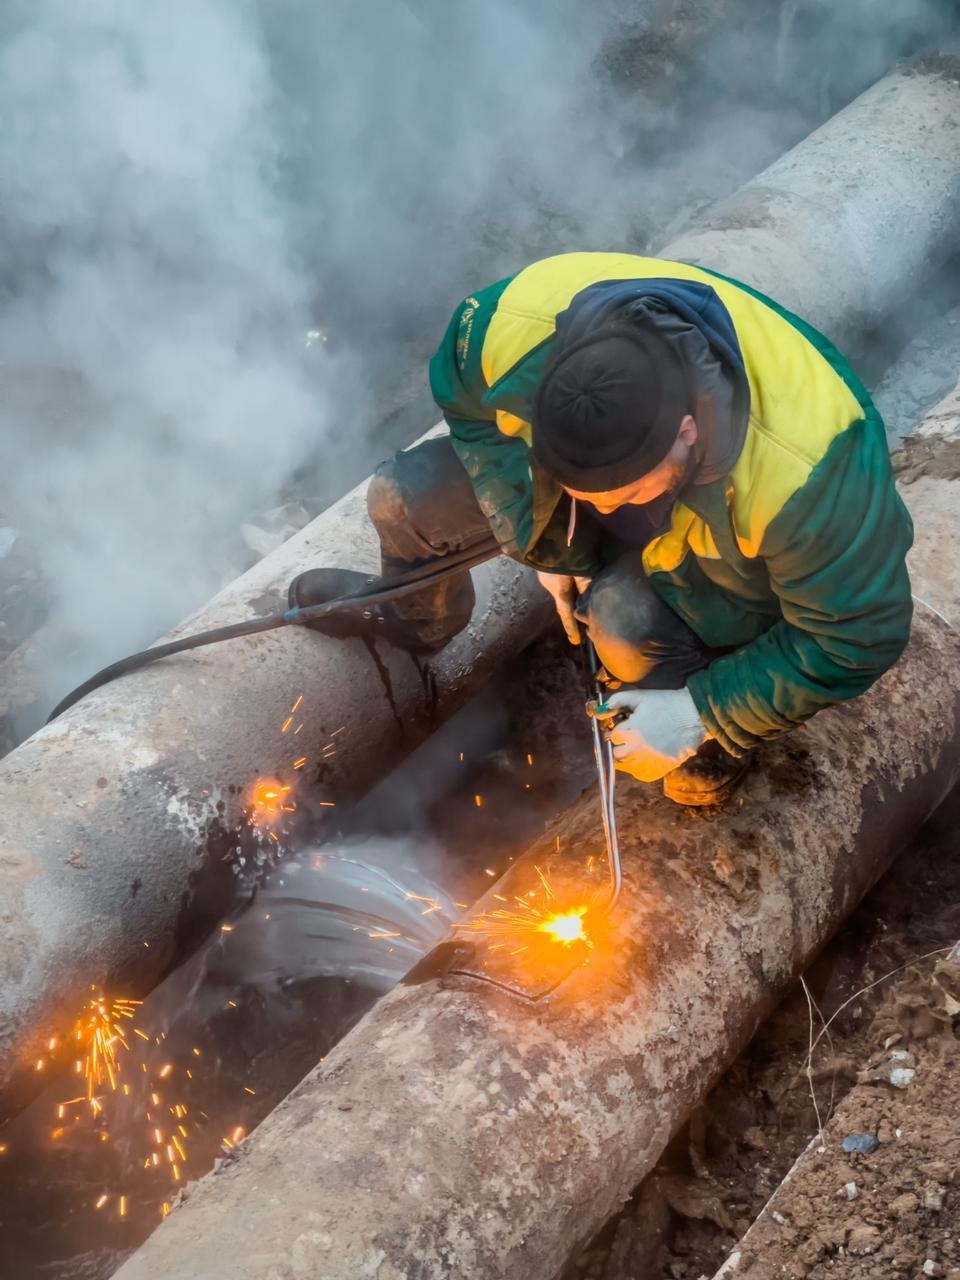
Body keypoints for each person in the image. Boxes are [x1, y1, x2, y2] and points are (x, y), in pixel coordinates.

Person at [290, 253, 913, 805]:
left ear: (687, 432)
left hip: (734, 559)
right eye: (588, 493)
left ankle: (703, 720)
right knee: (404, 499)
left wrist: (702, 712)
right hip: (626, 477)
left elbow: (857, 637)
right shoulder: (514, 326)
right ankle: (418, 621)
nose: (610, 508)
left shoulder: (811, 475)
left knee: (621, 622)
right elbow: (466, 403)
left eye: (629, 492)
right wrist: (537, 535)